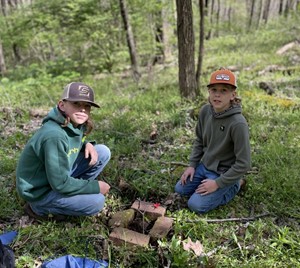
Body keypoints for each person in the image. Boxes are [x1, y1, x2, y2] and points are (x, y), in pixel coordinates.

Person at [16, 82, 111, 220]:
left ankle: (73, 192)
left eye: (87, 106)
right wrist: (95, 187)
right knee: (97, 202)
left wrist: (87, 144)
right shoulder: (54, 136)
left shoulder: (73, 123)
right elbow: (60, 183)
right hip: (41, 191)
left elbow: (72, 142)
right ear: (62, 105)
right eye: (76, 104)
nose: (83, 110)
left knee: (102, 151)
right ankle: (38, 208)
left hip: (56, 178)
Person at [175, 68, 251, 214]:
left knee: (196, 205)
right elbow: (199, 140)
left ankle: (235, 184)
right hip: (205, 166)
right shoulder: (205, 111)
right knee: (180, 190)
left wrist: (217, 183)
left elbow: (244, 163)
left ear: (232, 95)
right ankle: (211, 184)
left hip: (224, 173)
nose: (217, 94)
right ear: (209, 92)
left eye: (224, 90)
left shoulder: (238, 123)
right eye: (214, 89)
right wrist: (192, 165)